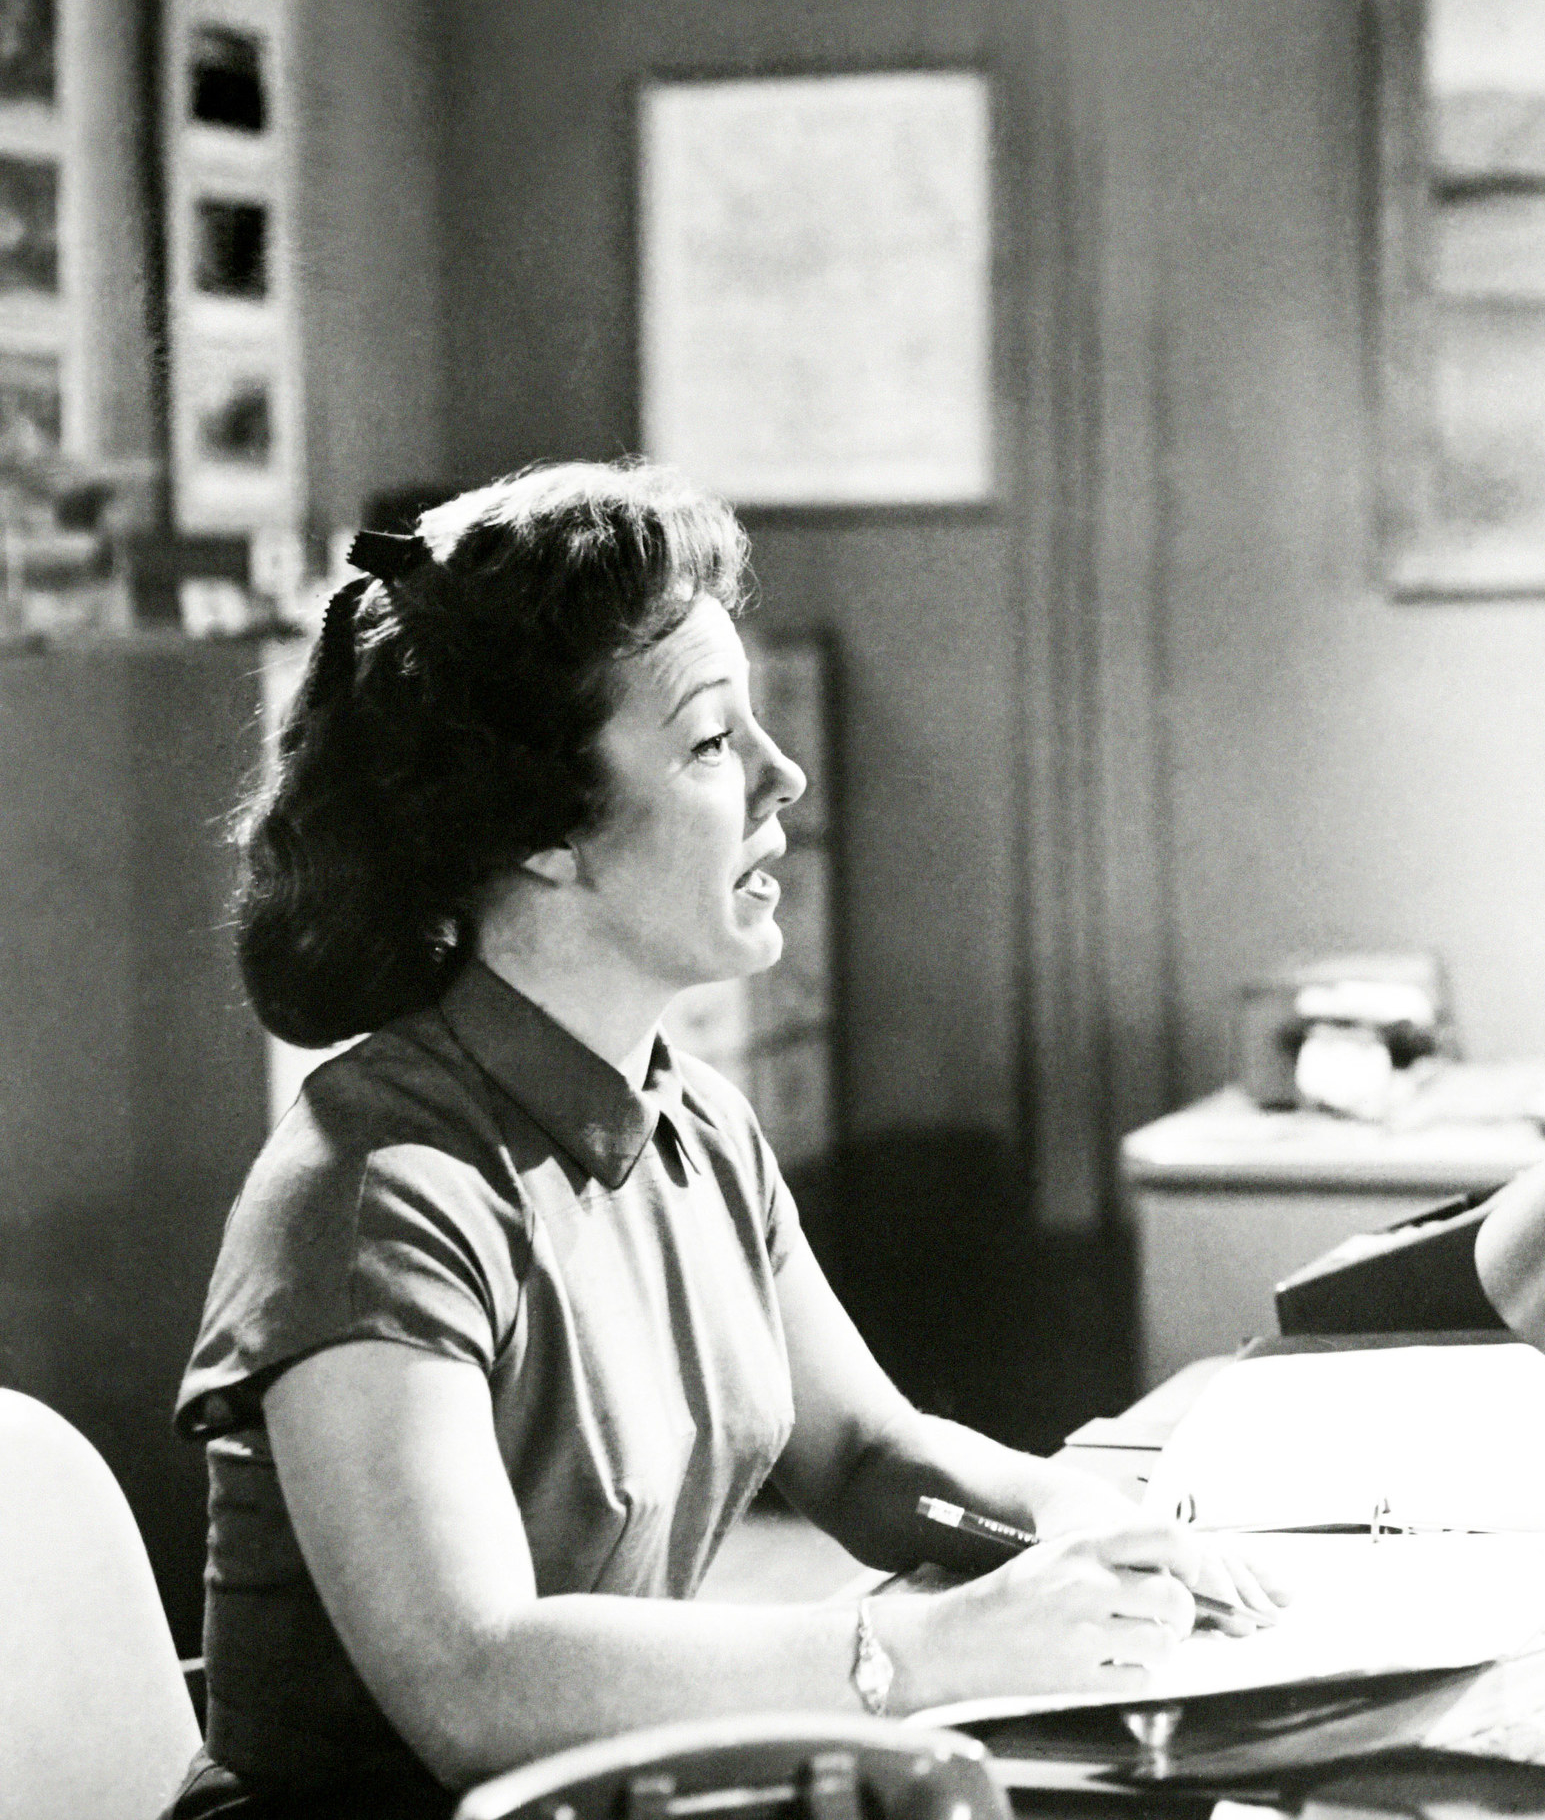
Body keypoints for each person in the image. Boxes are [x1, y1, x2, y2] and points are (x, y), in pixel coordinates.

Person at [172, 462, 1271, 1818]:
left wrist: (1073, 1517)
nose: (783, 774)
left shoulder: (694, 1120)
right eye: (707, 743)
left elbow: (868, 1458)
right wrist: (913, 1654)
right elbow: (475, 1683)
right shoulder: (371, 1194)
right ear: (541, 832)